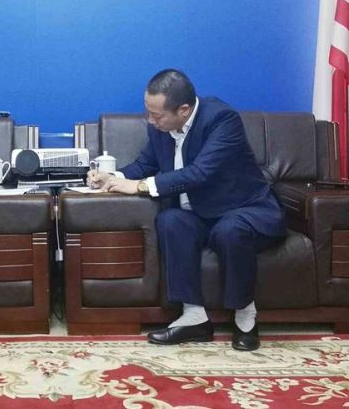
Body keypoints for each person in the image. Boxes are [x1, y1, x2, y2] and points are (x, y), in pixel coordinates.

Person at [88, 69, 285, 351]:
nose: (150, 121)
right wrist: (112, 178)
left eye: (157, 115)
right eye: (148, 113)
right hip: (198, 214)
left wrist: (140, 186)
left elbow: (200, 173)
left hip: (242, 209)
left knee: (230, 231)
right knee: (170, 221)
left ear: (183, 110)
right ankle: (194, 317)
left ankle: (245, 315)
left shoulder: (221, 120)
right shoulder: (160, 128)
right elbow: (144, 164)